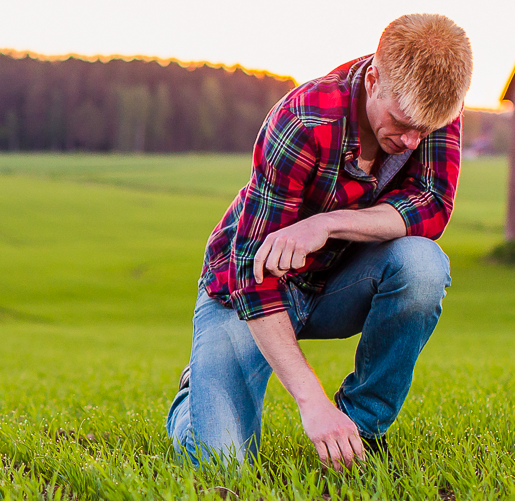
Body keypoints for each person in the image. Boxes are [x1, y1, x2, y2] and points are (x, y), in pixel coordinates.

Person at [166, 13, 472, 471]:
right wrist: (311, 404)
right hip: (249, 289)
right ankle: (196, 391)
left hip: (338, 284)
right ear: (373, 79)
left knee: (423, 265)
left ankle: (361, 429)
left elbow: (432, 207)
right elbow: (251, 279)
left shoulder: (428, 109)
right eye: (402, 122)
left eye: (424, 131)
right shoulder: (305, 118)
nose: (411, 141)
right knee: (221, 463)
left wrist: (327, 224)